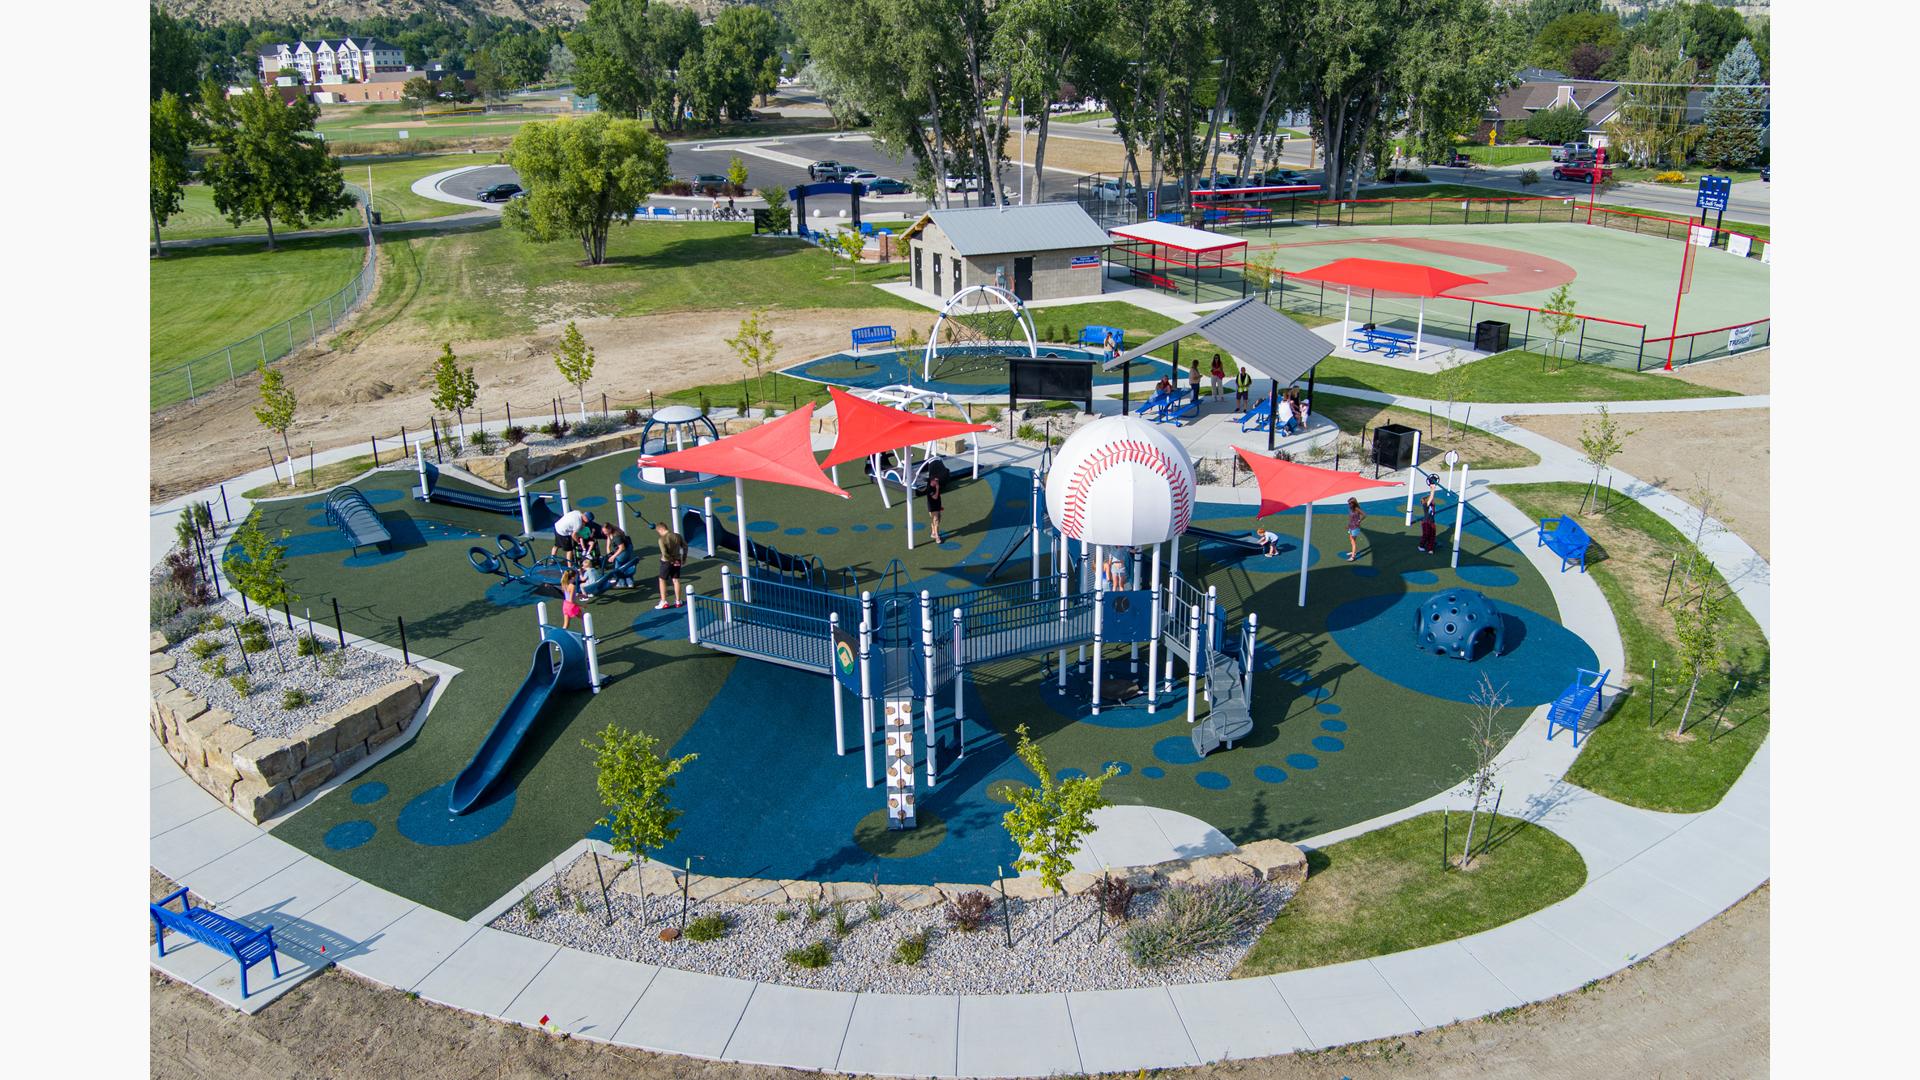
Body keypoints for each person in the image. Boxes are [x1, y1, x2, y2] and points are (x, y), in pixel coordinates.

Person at [653, 519, 688, 609]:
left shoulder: (662, 539)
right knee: (676, 580)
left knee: (662, 580)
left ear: (660, 529)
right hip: (677, 560)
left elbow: (665, 553)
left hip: (666, 562)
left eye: (658, 532)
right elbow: (685, 546)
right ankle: (678, 601)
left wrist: (671, 561)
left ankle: (664, 601)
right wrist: (683, 558)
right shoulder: (677, 536)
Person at [599, 521, 635, 586]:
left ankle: (622, 582)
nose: (604, 533)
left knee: (618, 566)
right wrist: (608, 549)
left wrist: (613, 556)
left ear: (609, 529)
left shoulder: (616, 536)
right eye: (603, 531)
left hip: (625, 550)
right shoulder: (610, 532)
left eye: (605, 531)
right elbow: (609, 538)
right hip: (624, 548)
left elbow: (622, 547)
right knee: (625, 565)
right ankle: (629, 581)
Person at [1418, 476, 1441, 554]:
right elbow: (1431, 497)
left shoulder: (1431, 504)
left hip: (1432, 521)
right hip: (1426, 522)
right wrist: (1433, 489)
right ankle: (1421, 546)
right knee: (1426, 534)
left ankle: (1430, 548)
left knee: (1432, 535)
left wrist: (1431, 488)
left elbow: (1431, 498)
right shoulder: (1426, 505)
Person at [926, 470, 945, 544]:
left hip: (937, 506)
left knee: (938, 519)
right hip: (932, 507)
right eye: (936, 481)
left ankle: (933, 532)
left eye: (937, 480)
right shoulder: (929, 488)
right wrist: (937, 488)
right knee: (936, 520)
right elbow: (935, 497)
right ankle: (937, 537)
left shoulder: (936, 484)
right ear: (932, 481)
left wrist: (940, 506)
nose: (937, 482)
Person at [1344, 497, 1366, 561]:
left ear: (1354, 503)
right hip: (1351, 526)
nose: (1349, 504)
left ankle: (1353, 556)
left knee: (1353, 541)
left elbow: (1364, 515)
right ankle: (1354, 552)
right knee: (1351, 539)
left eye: (1350, 503)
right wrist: (1348, 525)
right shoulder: (1351, 509)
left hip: (1355, 527)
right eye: (1348, 503)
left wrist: (1359, 521)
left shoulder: (1357, 509)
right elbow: (1351, 518)